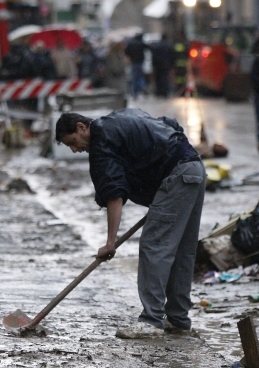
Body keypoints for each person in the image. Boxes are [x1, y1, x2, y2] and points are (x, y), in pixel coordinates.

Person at [54, 108, 206, 339]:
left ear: (82, 127)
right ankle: (178, 319)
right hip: (194, 170)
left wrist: (110, 242)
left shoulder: (102, 141)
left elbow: (113, 193)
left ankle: (151, 321)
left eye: (73, 142)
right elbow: (170, 124)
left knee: (154, 246)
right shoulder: (121, 118)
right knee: (181, 250)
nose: (75, 150)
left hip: (178, 176)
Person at [124, 34, 149, 99]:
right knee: (140, 77)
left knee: (134, 78)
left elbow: (126, 52)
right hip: (140, 63)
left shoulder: (131, 44)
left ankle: (135, 93)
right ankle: (142, 88)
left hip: (134, 63)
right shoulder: (141, 43)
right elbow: (149, 48)